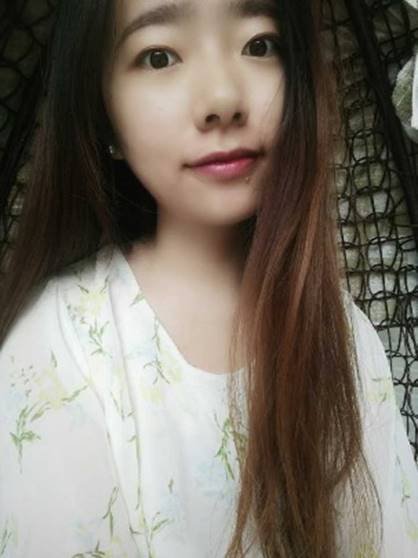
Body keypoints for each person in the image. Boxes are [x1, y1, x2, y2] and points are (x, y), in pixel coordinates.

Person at [0, 0, 417, 556]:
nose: (222, 98)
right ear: (103, 116)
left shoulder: (345, 335)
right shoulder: (57, 348)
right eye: (159, 56)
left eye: (259, 45)